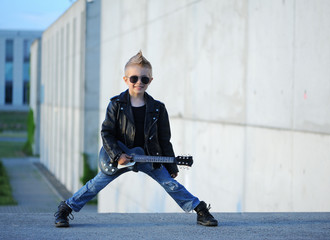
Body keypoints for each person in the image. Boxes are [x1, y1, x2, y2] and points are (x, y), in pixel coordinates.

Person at [54, 51, 218, 227]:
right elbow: (106, 132)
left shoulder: (158, 108)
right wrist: (118, 155)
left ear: (150, 81)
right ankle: (65, 209)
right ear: (126, 80)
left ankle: (200, 210)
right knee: (95, 185)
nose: (139, 82)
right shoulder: (116, 104)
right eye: (134, 78)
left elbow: (164, 140)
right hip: (121, 157)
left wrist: (171, 165)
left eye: (144, 79)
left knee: (171, 184)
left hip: (148, 156)